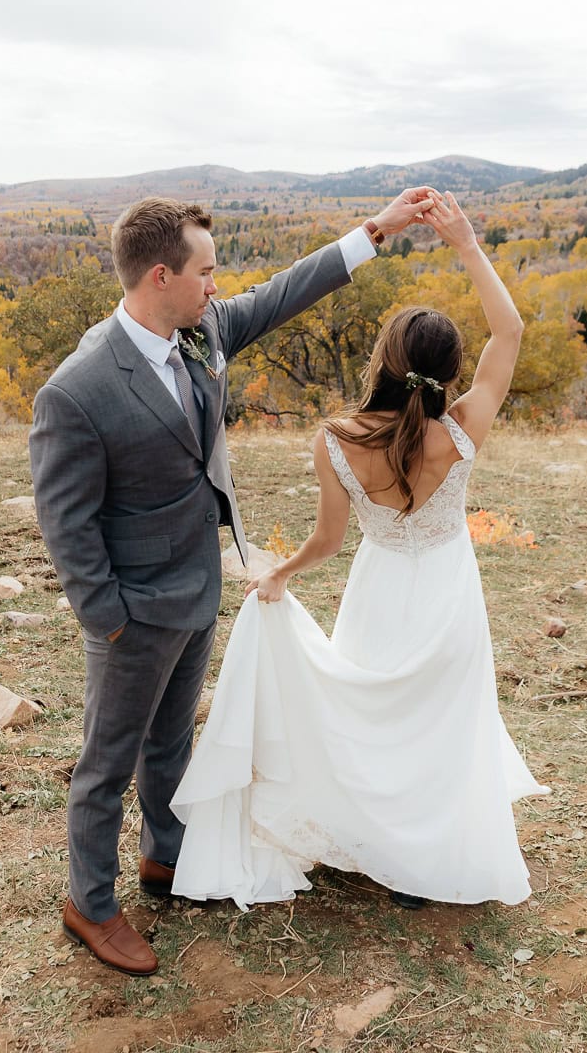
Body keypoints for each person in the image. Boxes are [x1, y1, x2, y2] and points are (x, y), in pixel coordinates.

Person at [29, 188, 436, 974]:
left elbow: (286, 290)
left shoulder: (203, 330)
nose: (219, 285)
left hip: (199, 585)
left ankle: (167, 855)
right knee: (106, 764)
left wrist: (377, 231)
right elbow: (66, 524)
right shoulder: (76, 390)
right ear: (159, 277)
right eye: (207, 272)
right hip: (133, 612)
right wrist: (109, 619)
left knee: (171, 742)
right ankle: (91, 902)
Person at [170, 191, 550, 911]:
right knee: (439, 719)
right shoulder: (467, 425)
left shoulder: (338, 440)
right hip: (447, 589)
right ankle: (424, 859)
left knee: (375, 717)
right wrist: (466, 243)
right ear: (448, 370)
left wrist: (278, 574)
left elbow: (329, 541)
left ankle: (372, 838)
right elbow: (512, 329)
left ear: (385, 359)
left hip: (379, 588)